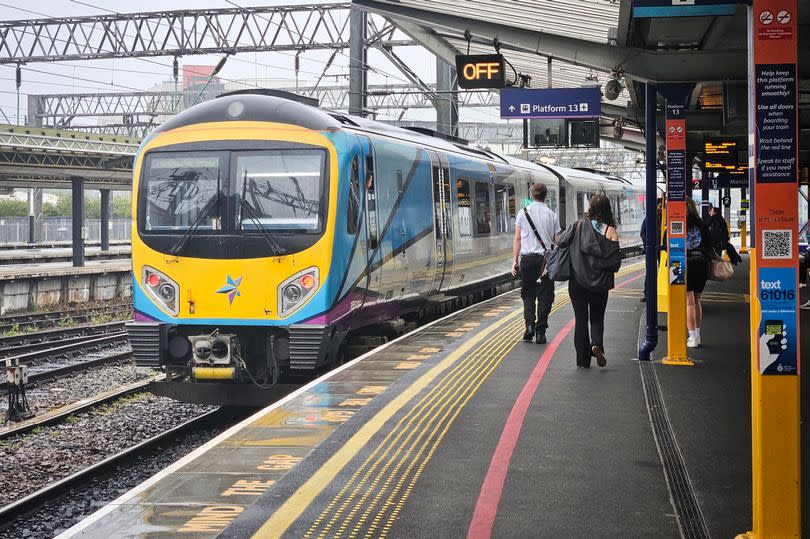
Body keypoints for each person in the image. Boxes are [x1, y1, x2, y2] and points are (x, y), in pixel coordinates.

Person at [558, 194, 621, 368]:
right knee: (597, 318)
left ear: (590, 209)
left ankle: (582, 360)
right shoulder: (611, 231)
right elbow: (615, 263)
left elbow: (561, 242)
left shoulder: (577, 226)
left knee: (580, 319)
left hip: (577, 282)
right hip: (600, 283)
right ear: (608, 210)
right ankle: (597, 345)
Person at [511, 183, 560, 343]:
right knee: (545, 295)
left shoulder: (522, 213)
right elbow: (557, 240)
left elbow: (517, 239)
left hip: (527, 259)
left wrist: (515, 261)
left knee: (528, 294)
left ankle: (529, 326)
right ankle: (540, 332)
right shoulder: (551, 214)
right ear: (546, 196)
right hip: (545, 261)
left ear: (532, 194)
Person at [685, 198, 713, 348]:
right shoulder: (701, 223)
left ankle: (692, 337)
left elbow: (666, 243)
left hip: (686, 265)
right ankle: (698, 335)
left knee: (689, 302)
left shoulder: (678, 223)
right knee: (696, 301)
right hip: (701, 265)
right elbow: (709, 244)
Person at [640, 198, 662, 302]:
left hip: (663, 249)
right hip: (652, 248)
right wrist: (647, 244)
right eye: (660, 206)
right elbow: (643, 232)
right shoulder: (649, 218)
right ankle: (648, 294)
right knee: (650, 271)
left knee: (663, 271)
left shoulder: (666, 218)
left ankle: (661, 291)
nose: (661, 208)